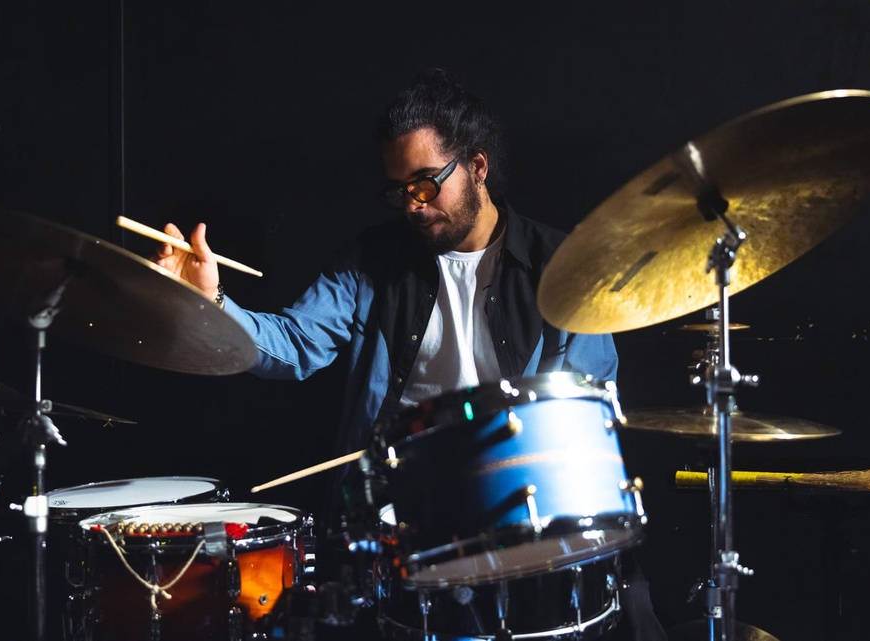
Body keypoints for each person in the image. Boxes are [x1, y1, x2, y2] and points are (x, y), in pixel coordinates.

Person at [155, 68, 666, 641]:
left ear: (476, 166)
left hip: (525, 515)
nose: (412, 205)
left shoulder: (565, 265)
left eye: (425, 183)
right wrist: (213, 303)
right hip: (401, 521)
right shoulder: (373, 260)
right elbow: (294, 346)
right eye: (399, 189)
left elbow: (581, 410)